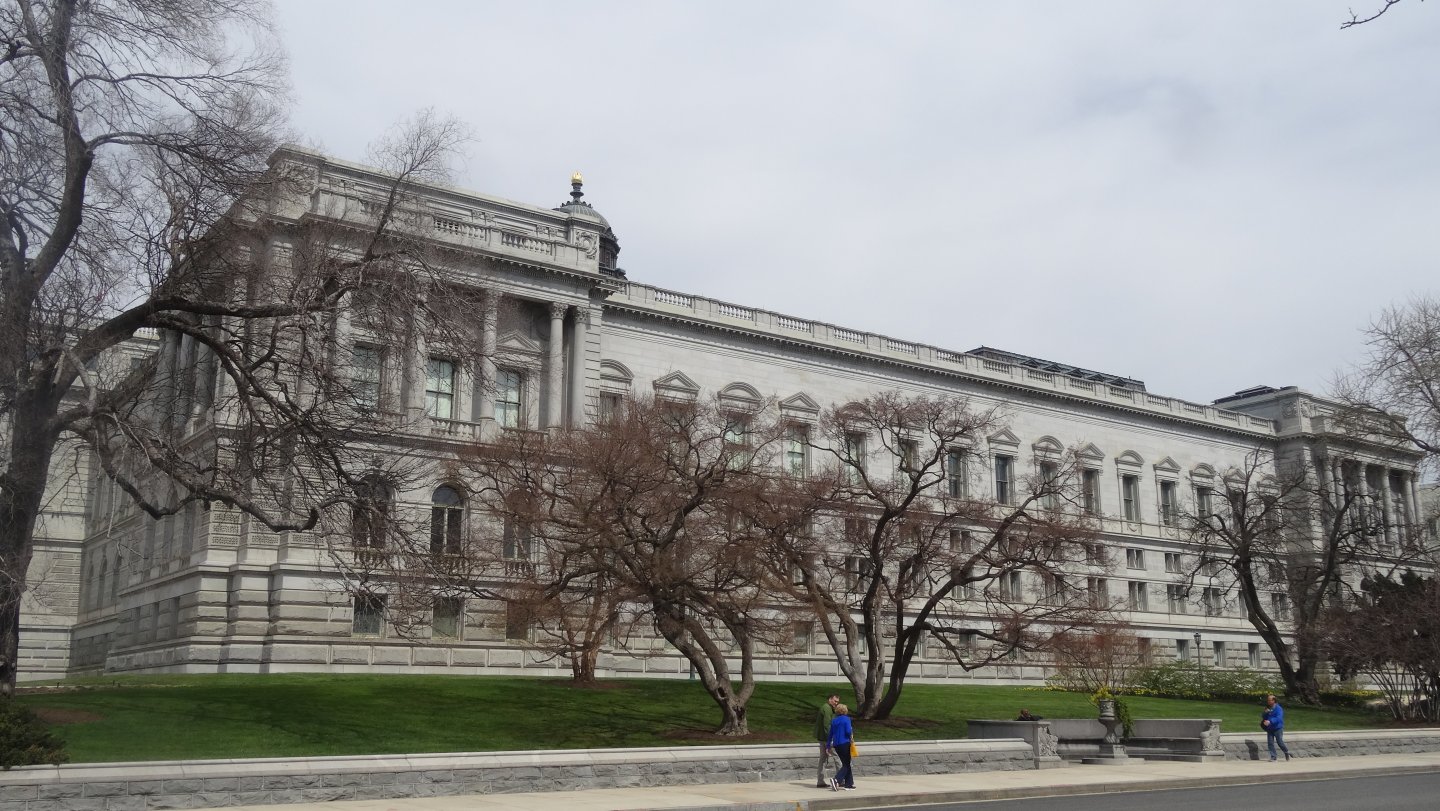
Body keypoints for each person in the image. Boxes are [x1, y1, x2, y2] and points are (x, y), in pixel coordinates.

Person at [813, 693, 840, 788]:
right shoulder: (827, 709)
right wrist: (830, 739)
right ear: (830, 699)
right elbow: (827, 725)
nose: (836, 703)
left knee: (823, 759)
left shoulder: (826, 708)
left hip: (822, 738)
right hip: (826, 738)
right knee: (838, 757)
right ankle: (841, 779)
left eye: (837, 702)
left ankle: (820, 781)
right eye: (835, 701)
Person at [827, 703, 856, 791]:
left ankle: (849, 784)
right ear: (845, 710)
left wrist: (828, 746)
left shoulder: (834, 720)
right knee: (846, 764)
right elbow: (848, 731)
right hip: (845, 743)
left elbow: (830, 734)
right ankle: (836, 779)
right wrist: (851, 735)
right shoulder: (847, 719)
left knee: (846, 763)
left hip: (836, 744)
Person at [1261, 694, 1292, 762]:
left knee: (1280, 742)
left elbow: (1279, 718)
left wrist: (1270, 721)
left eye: (1270, 700)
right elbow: (1263, 716)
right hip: (1270, 728)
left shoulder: (1278, 708)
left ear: (1274, 700)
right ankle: (1273, 757)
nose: (1268, 701)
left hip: (1277, 728)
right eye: (1268, 700)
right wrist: (1265, 713)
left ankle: (1286, 752)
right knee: (1270, 743)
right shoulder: (1267, 707)